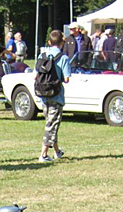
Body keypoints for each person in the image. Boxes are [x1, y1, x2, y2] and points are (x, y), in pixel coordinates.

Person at [37, 30, 70, 163]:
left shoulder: (42, 55)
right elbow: (66, 79)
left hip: (43, 94)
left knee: (50, 123)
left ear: (49, 42)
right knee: (51, 125)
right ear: (62, 43)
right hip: (56, 95)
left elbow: (35, 75)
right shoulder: (63, 58)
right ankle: (43, 154)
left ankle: (57, 151)